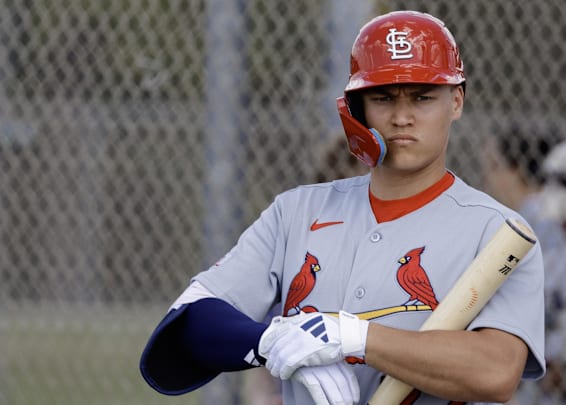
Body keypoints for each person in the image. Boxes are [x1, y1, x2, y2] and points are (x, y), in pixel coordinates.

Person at [139, 10, 545, 405]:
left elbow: (496, 372)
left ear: (455, 102)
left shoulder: (496, 232)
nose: (402, 117)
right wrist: (275, 341)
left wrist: (352, 338)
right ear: (357, 108)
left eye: (423, 97)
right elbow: (189, 324)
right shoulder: (297, 211)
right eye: (384, 97)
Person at [480, 125, 566, 403]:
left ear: (515, 170)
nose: (486, 178)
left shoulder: (541, 221)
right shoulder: (518, 220)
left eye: (494, 166)